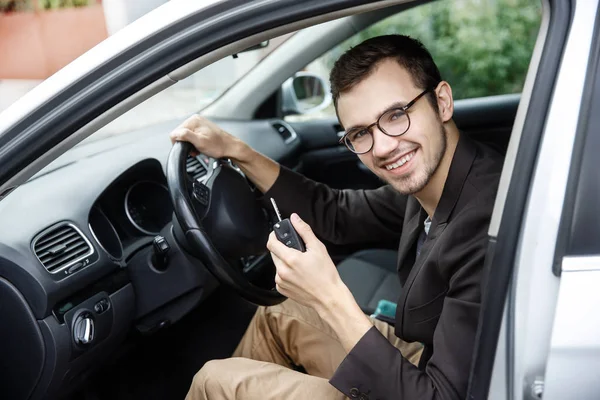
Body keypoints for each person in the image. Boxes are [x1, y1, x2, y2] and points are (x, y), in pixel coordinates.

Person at [170, 35, 503, 400]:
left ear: (441, 102)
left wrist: (328, 295)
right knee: (281, 313)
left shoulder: (484, 224)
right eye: (361, 133)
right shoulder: (440, 181)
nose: (383, 147)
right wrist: (239, 152)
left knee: (215, 380)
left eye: (397, 115)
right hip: (431, 358)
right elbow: (337, 214)